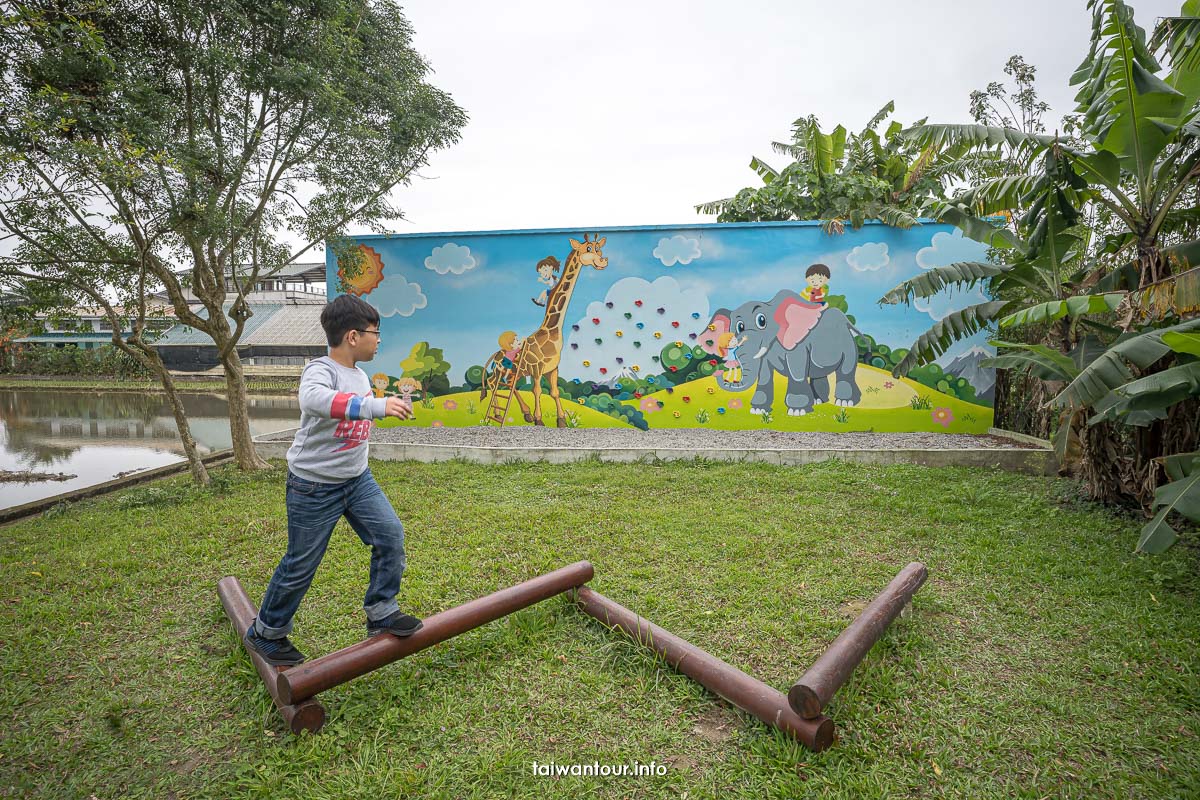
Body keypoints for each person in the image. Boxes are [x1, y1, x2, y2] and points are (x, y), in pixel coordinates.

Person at [243, 294, 423, 666]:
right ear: (353, 336)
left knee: (390, 536)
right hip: (313, 486)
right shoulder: (319, 370)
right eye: (376, 333)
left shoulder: (359, 376)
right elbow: (314, 401)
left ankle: (381, 612)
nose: (379, 340)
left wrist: (384, 405)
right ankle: (267, 633)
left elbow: (355, 417)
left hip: (357, 480)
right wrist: (375, 406)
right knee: (301, 564)